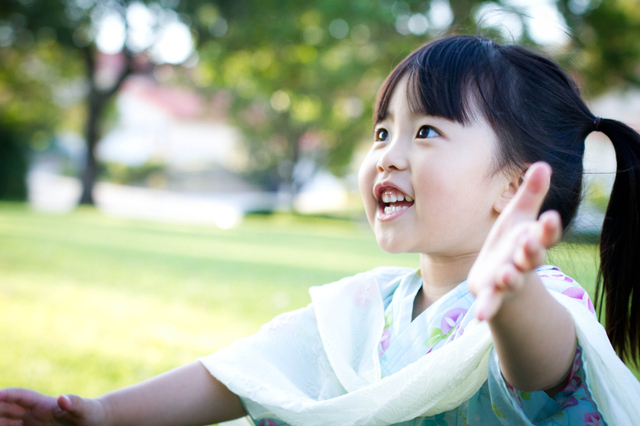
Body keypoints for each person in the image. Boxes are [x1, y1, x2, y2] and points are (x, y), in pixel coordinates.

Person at [2, 35, 640, 426]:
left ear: (514, 184)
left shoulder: (542, 301)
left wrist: (514, 292)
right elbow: (241, 373)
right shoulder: (368, 307)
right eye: (382, 132)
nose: (387, 154)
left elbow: (540, 370)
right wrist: (107, 415)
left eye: (427, 132)